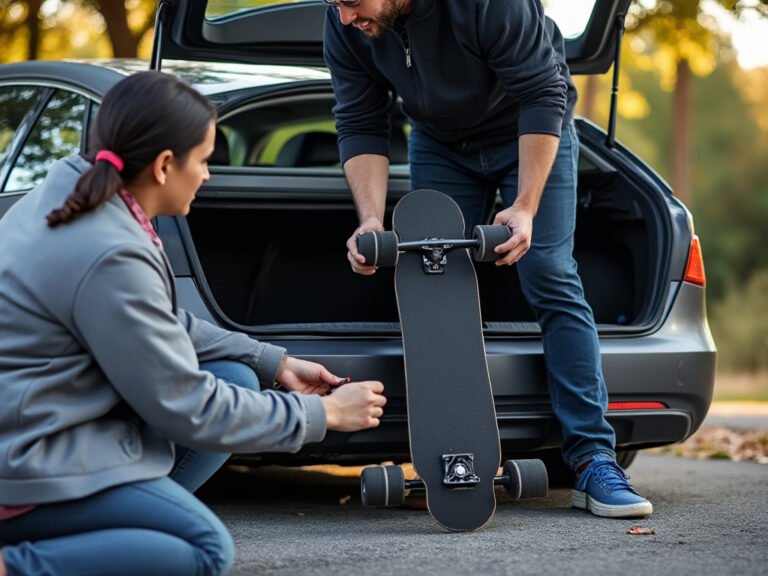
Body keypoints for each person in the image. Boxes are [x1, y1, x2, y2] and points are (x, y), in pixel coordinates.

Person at [0, 71, 387, 576]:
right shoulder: (109, 250)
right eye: (203, 160)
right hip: (30, 464)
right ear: (164, 166)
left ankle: (126, 538)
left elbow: (161, 322)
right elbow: (188, 407)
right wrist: (324, 416)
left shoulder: (70, 193)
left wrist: (274, 361)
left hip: (43, 429)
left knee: (237, 374)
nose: (207, 175)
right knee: (206, 551)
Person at [323, 0, 652, 519]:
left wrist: (523, 207)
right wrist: (370, 220)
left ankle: (593, 461)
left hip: (526, 125)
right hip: (438, 141)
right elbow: (361, 118)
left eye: (351, 2)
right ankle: (448, 453)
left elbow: (543, 93)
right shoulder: (345, 23)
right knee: (433, 280)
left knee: (548, 272)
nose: (344, 17)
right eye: (332, 3)